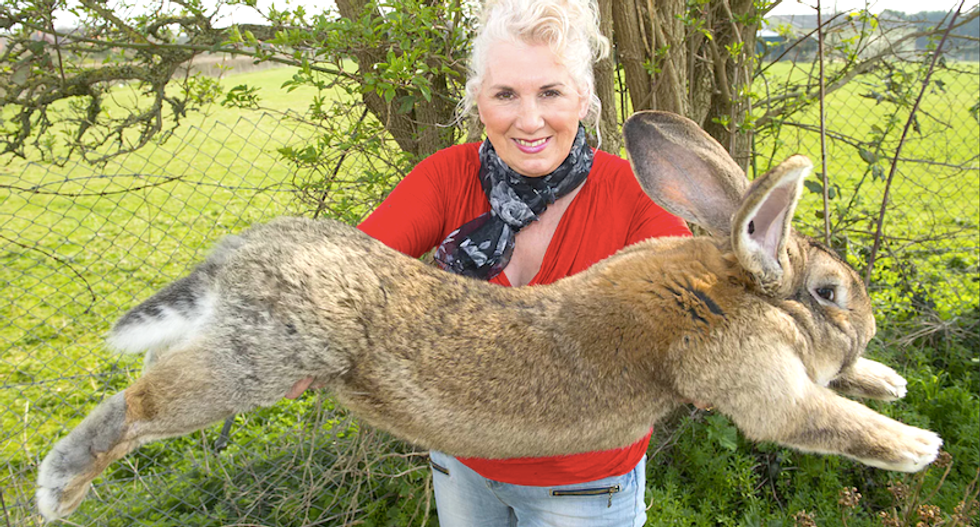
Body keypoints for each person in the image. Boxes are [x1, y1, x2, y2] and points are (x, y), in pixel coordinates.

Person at [353, 1, 691, 525]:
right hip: (461, 462)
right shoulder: (446, 177)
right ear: (478, 101)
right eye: (506, 94)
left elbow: (688, 323)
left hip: (584, 486)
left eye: (550, 92)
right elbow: (345, 274)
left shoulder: (636, 198)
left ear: (583, 97)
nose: (529, 120)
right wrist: (306, 335)